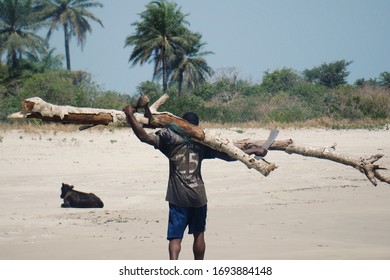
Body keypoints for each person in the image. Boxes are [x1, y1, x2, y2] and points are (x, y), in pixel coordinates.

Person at [123, 105, 267, 260]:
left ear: (181, 123)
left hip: (178, 197)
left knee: (175, 238)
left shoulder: (170, 141)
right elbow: (229, 156)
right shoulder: (202, 144)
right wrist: (253, 150)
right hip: (198, 195)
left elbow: (144, 137)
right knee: (199, 234)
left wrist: (130, 115)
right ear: (196, 127)